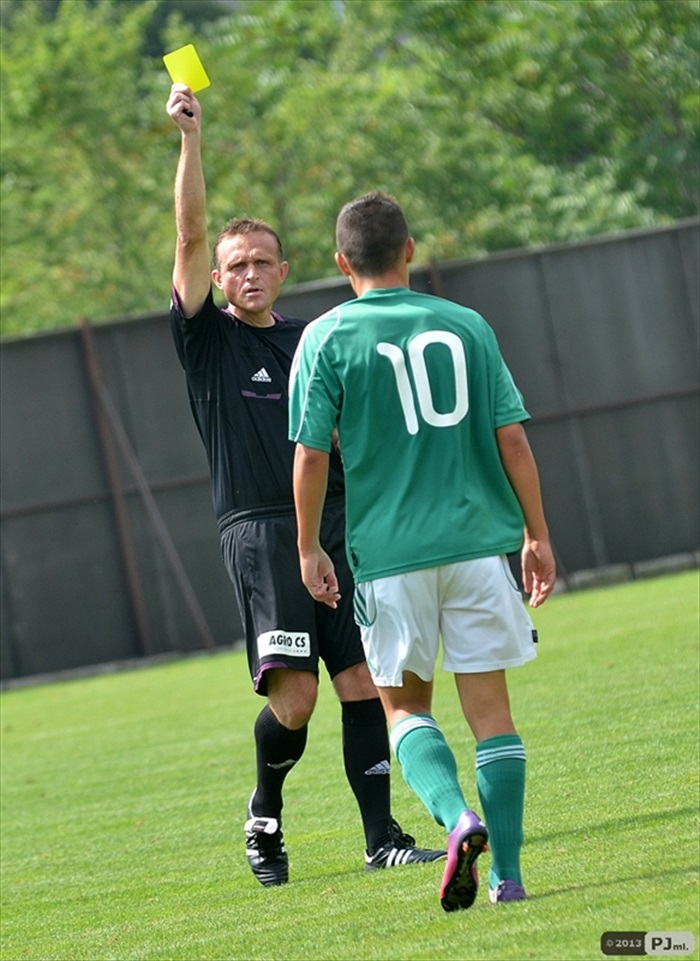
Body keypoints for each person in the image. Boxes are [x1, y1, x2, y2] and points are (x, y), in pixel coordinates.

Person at [165, 89, 445, 888]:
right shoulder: (207, 340)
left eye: (262, 261)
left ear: (285, 271)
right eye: (235, 265)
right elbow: (187, 232)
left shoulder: (318, 338)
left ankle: (383, 835)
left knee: (364, 681)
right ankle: (264, 815)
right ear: (216, 280)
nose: (249, 273)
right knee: (297, 703)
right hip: (259, 532)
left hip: (341, 524)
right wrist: (191, 141)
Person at [289, 191, 557, 911]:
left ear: (342, 263)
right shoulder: (468, 325)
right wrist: (536, 533)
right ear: (410, 249)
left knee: (405, 710)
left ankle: (455, 818)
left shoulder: (325, 337)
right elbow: (514, 439)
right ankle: (508, 876)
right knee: (493, 714)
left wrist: (310, 544)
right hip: (476, 549)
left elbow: (312, 456)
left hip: (390, 557)